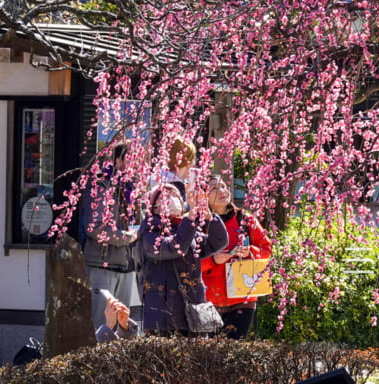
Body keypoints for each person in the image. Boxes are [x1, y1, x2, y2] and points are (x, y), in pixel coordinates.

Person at [138, 182, 228, 335]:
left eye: (175, 196)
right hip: (164, 315)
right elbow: (175, 247)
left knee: (198, 357)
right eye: (166, 196)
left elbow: (218, 242)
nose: (172, 199)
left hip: (194, 312)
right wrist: (191, 217)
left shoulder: (186, 227)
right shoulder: (149, 230)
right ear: (154, 205)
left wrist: (210, 218)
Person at [200, 175, 273, 339]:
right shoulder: (198, 225)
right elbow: (189, 263)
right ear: (203, 197)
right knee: (210, 356)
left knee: (233, 352)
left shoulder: (245, 220)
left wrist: (251, 252)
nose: (222, 191)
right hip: (209, 299)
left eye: (224, 186)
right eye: (214, 188)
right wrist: (212, 260)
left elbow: (267, 249)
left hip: (242, 296)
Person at [82, 142, 142, 334]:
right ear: (118, 162)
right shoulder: (102, 188)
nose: (136, 164)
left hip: (125, 264)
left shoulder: (134, 191)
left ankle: (119, 365)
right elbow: (94, 228)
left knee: (123, 323)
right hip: (102, 264)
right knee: (102, 325)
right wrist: (126, 238)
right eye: (131, 159)